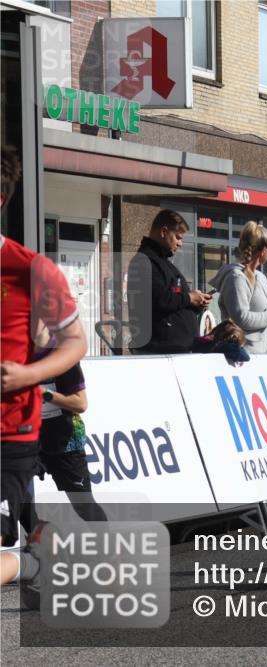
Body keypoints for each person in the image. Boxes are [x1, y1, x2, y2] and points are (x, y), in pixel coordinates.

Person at [1, 145, 88, 585]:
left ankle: (34, 562)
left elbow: (76, 341)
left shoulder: (32, 270)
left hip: (9, 434)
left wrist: (29, 376)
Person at [34, 327, 107, 525]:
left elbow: (81, 404)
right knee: (17, 502)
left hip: (65, 441)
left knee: (83, 506)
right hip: (28, 440)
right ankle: (43, 542)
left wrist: (44, 394)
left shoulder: (63, 355)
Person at [126, 210, 212, 354]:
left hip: (174, 350)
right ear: (164, 231)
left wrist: (196, 303)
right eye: (178, 237)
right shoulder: (144, 261)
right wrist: (190, 298)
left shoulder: (163, 263)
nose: (180, 244)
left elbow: (173, 302)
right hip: (159, 353)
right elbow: (159, 300)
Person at [211, 222, 267, 353]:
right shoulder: (236, 277)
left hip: (264, 354)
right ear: (262, 251)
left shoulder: (261, 277)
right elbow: (241, 318)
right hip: (242, 353)